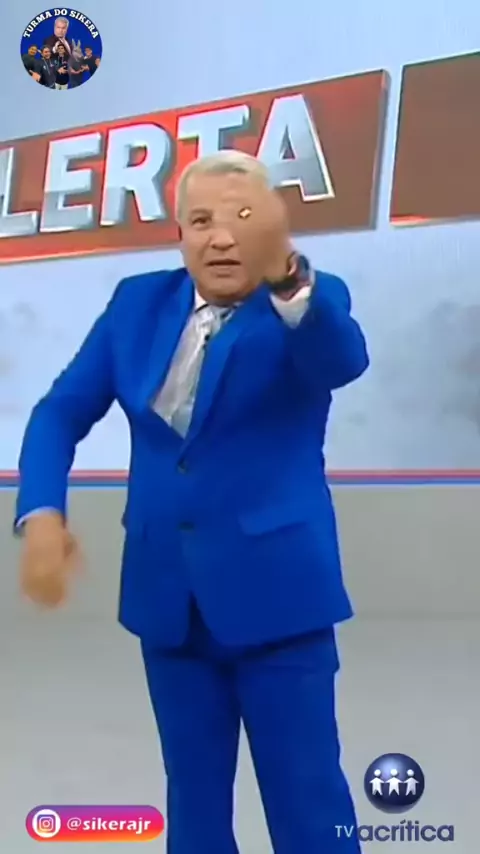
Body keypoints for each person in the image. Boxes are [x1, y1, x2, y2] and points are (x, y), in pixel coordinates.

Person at [16, 150, 369, 854]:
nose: (222, 237)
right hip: (167, 600)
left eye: (243, 218)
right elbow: (59, 412)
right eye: (202, 221)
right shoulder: (137, 305)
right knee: (195, 805)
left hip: (279, 602)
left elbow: (341, 360)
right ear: (180, 234)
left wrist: (288, 277)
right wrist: (42, 513)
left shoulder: (304, 306)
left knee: (308, 804)